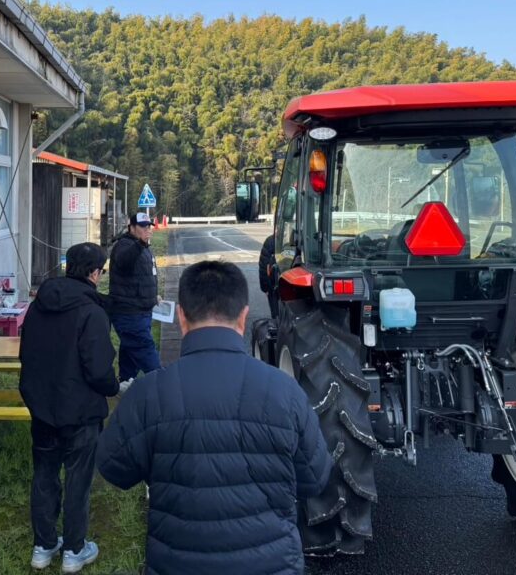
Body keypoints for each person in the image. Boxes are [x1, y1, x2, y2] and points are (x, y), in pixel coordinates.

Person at [97, 261, 331, 575]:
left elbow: (113, 467)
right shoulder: (285, 391)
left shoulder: (149, 393)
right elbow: (314, 477)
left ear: (181, 316)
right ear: (244, 316)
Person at [19, 242, 119, 573]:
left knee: (44, 476)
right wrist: (113, 387)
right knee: (78, 481)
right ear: (94, 273)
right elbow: (100, 369)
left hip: (42, 407)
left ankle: (43, 545)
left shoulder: (39, 305)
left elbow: (26, 353)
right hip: (81, 411)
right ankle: (74, 549)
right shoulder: (92, 312)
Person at [108, 212, 161, 393]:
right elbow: (125, 262)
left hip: (141, 311)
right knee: (147, 353)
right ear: (131, 227)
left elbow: (143, 277)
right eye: (142, 227)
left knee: (130, 353)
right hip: (129, 314)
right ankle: (162, 388)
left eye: (149, 227)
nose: (147, 230)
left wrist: (154, 296)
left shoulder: (143, 247)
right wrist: (140, 244)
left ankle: (125, 384)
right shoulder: (124, 246)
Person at [258, 233, 278, 320]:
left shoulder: (271, 241)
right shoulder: (297, 238)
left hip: (274, 286)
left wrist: (265, 288)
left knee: (276, 315)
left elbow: (264, 266)